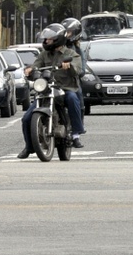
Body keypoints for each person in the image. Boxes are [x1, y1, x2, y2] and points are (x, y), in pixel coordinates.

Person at [17, 23, 85, 158]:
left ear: (58, 39)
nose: (46, 41)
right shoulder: (44, 55)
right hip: (46, 89)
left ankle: (76, 133)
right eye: (45, 39)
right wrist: (30, 69)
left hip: (65, 88)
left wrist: (69, 66)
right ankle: (29, 147)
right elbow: (36, 65)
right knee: (26, 118)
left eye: (49, 39)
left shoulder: (71, 54)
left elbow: (77, 70)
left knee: (72, 98)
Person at [61, 17, 86, 131]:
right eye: (65, 32)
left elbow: (82, 70)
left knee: (78, 95)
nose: (67, 34)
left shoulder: (77, 50)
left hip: (72, 81)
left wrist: (74, 70)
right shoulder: (56, 47)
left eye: (69, 32)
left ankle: (78, 127)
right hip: (56, 81)